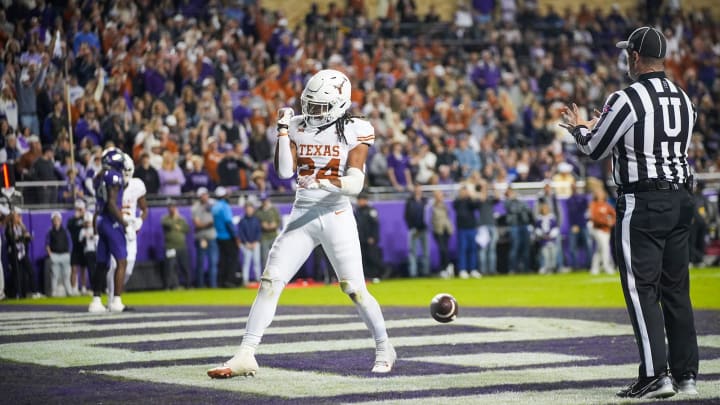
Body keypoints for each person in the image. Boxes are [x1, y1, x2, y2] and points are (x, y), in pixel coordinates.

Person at [208, 70, 395, 378]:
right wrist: (282, 131)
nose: (312, 112)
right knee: (271, 280)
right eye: (309, 104)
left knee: (355, 289)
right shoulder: (297, 126)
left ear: (339, 104)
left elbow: (356, 182)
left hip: (336, 214)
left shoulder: (355, 128)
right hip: (302, 213)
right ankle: (246, 353)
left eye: (319, 106)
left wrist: (325, 181)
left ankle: (384, 346)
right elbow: (284, 172)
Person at [561, 27, 698, 398]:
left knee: (641, 290)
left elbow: (595, 148)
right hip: (681, 199)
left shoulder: (626, 98)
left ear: (634, 57)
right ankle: (686, 376)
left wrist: (579, 128)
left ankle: (656, 374)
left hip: (644, 202)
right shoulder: (684, 99)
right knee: (676, 291)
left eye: (628, 55)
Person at [107, 153, 148, 310]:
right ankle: (113, 299)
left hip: (131, 231)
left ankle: (115, 295)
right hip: (116, 228)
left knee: (128, 269)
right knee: (114, 265)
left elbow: (144, 208)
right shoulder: (112, 183)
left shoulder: (137, 185)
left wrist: (140, 221)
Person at [89, 148, 128, 313]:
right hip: (111, 221)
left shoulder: (99, 177)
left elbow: (101, 203)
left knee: (102, 263)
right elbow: (111, 203)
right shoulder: (114, 176)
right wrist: (124, 223)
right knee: (122, 261)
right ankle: (116, 301)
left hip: (101, 220)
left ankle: (96, 300)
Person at [355, 192, 391, 280]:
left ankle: (385, 270)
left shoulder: (371, 210)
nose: (360, 202)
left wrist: (373, 237)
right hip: (361, 239)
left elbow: (375, 225)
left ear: (365, 200)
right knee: (364, 258)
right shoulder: (357, 211)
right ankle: (370, 275)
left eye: (361, 200)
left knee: (373, 257)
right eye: (359, 200)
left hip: (370, 239)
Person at [212, 186, 240, 288]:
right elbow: (229, 222)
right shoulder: (225, 206)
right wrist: (236, 236)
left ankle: (221, 281)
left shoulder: (215, 207)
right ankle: (230, 280)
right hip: (227, 236)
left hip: (218, 236)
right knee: (233, 259)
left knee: (222, 260)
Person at [192, 187, 218, 288]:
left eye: (206, 194)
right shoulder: (196, 208)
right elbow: (197, 224)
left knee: (213, 262)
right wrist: (208, 224)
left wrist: (208, 224)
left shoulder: (212, 204)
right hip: (201, 238)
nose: (205, 196)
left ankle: (213, 285)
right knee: (201, 263)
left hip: (211, 237)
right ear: (199, 196)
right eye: (203, 194)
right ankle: (200, 285)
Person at [161, 200, 191, 289]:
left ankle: (188, 285)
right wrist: (175, 221)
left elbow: (186, 229)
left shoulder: (181, 218)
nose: (172, 209)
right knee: (170, 267)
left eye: (173, 207)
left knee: (185, 266)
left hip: (182, 246)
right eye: (170, 207)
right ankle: (168, 286)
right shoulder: (165, 218)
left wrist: (178, 223)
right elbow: (167, 224)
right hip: (170, 247)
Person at [452, 184, 480, 279]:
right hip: (462, 228)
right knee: (462, 250)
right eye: (462, 191)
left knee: (473, 249)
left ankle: (473, 269)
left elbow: (477, 205)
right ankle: (462, 270)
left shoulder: (470, 201)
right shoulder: (458, 201)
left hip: (471, 228)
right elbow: (455, 206)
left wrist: (471, 196)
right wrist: (461, 197)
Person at [504, 187, 533, 273]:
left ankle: (526, 269)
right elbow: (512, 209)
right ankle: (513, 269)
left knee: (526, 248)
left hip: (524, 225)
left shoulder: (521, 201)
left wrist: (520, 207)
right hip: (514, 226)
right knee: (515, 248)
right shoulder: (507, 202)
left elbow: (528, 209)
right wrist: (519, 207)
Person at [588, 189, 616, 275]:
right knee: (605, 247)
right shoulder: (593, 204)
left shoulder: (606, 205)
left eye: (601, 193)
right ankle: (606, 266)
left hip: (606, 230)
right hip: (598, 229)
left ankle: (594, 268)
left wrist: (611, 222)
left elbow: (614, 214)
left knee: (600, 249)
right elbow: (594, 218)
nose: (600, 195)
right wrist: (606, 222)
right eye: (598, 193)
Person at [45, 211, 73, 297]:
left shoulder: (65, 231)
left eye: (58, 219)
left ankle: (69, 292)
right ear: (52, 221)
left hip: (65, 255)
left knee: (66, 275)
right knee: (54, 275)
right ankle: (53, 292)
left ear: (60, 220)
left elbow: (70, 242)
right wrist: (50, 255)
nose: (56, 221)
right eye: (54, 219)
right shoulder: (50, 232)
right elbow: (47, 244)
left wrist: (69, 253)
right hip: (55, 255)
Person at [404, 184, 429, 277]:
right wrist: (411, 227)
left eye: (419, 189)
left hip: (423, 229)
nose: (418, 190)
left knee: (425, 252)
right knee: (412, 252)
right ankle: (413, 273)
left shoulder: (425, 201)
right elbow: (406, 216)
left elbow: (428, 215)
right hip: (413, 229)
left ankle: (426, 272)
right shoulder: (410, 201)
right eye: (417, 189)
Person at [565, 183, 592, 270]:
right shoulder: (569, 200)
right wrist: (573, 225)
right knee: (573, 247)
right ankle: (575, 266)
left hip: (583, 224)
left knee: (587, 246)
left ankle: (589, 265)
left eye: (574, 187)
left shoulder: (582, 198)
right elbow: (571, 214)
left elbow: (585, 210)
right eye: (572, 187)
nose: (574, 188)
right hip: (574, 226)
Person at [67, 199, 89, 295]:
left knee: (83, 269)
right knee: (74, 269)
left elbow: (89, 225)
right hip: (76, 247)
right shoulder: (72, 220)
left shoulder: (87, 218)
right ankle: (74, 288)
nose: (79, 211)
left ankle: (83, 287)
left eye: (80, 209)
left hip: (84, 247)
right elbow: (69, 227)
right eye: (78, 209)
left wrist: (83, 217)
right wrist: (77, 218)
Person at [476, 180, 498, 276]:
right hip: (483, 226)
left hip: (491, 224)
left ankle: (492, 270)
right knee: (483, 249)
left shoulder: (490, 199)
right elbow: (482, 199)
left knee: (492, 249)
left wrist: (494, 188)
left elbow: (497, 198)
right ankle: (483, 270)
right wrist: (484, 188)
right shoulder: (478, 197)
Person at [237, 201, 262, 286]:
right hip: (246, 245)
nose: (249, 210)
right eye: (247, 209)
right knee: (246, 263)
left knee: (257, 262)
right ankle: (245, 281)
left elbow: (259, 232)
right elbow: (241, 233)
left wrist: (255, 241)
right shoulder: (242, 220)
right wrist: (246, 243)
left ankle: (258, 279)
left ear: (253, 209)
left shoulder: (256, 220)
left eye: (250, 208)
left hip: (255, 244)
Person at [431, 190, 454, 278]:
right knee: (442, 250)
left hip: (445, 230)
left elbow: (447, 218)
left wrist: (450, 228)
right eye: (438, 195)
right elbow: (431, 219)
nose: (440, 197)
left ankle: (447, 268)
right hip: (438, 230)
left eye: (441, 196)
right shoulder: (432, 206)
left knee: (445, 250)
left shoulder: (445, 206)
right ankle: (444, 268)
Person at [534, 202, 560, 274]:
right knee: (545, 255)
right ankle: (545, 267)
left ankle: (552, 268)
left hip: (552, 239)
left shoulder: (552, 218)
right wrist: (542, 235)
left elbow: (555, 228)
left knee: (553, 254)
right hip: (543, 240)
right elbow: (537, 229)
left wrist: (551, 235)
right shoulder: (539, 219)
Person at [256, 196, 280, 267]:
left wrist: (275, 224)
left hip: (274, 236)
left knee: (276, 257)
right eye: (262, 200)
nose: (264, 202)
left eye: (265, 200)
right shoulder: (258, 211)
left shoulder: (274, 209)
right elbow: (255, 222)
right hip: (264, 237)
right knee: (265, 258)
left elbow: (279, 221)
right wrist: (261, 224)